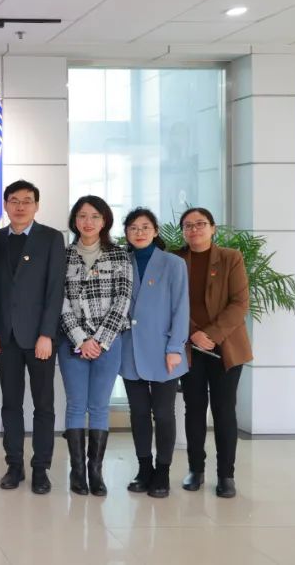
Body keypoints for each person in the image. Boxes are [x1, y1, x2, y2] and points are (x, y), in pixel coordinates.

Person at [0, 180, 66, 495]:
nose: (20, 206)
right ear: (5, 205)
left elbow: (55, 289)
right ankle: (14, 465)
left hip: (39, 339)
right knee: (11, 404)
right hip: (5, 337)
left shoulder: (51, 238)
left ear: (37, 205)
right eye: (14, 200)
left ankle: (41, 468)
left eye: (27, 201)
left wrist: (47, 333)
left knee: (43, 404)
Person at [173, 207, 252, 499]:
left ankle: (226, 475)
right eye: (188, 225)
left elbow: (239, 303)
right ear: (182, 231)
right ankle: (196, 469)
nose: (194, 229)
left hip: (226, 347)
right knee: (193, 409)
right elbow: (170, 303)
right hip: (189, 347)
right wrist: (194, 333)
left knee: (224, 410)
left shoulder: (231, 258)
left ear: (213, 228)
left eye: (200, 224)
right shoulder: (175, 259)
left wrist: (212, 334)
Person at [58, 195, 132, 497]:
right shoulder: (63, 255)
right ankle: (77, 472)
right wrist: (81, 339)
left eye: (95, 216)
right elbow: (59, 300)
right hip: (72, 341)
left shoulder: (119, 255)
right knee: (76, 404)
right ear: (74, 220)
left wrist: (99, 340)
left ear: (105, 221)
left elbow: (122, 300)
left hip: (109, 342)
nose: (88, 222)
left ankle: (95, 471)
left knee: (99, 406)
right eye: (82, 216)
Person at [119, 208, 189, 498]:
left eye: (145, 227)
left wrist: (175, 348)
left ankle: (163, 471)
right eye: (133, 228)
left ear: (155, 231)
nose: (139, 232)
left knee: (163, 413)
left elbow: (181, 308)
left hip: (164, 351)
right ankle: (144, 468)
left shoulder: (173, 263)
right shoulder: (121, 261)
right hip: (129, 349)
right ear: (126, 233)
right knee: (138, 413)